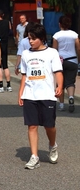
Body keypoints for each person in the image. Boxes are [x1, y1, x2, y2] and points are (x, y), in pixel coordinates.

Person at [18, 23, 63, 170]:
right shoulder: (26, 54)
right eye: (29, 38)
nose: (30, 41)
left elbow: (58, 72)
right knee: (32, 125)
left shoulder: (52, 53)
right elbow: (24, 76)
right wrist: (21, 93)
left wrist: (60, 86)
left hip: (47, 94)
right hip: (30, 94)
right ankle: (34, 157)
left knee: (49, 126)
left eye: (33, 38)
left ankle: (52, 145)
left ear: (42, 38)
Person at [52, 16, 80, 112]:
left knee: (60, 83)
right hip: (73, 60)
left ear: (59, 24)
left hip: (60, 61)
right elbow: (78, 48)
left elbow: (54, 50)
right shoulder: (74, 34)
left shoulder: (56, 35)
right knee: (70, 82)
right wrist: (78, 59)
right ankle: (71, 97)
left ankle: (61, 104)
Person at [0, 9, 12, 92]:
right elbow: (10, 31)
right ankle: (9, 85)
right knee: (6, 66)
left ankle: (1, 86)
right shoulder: (7, 22)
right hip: (5, 44)